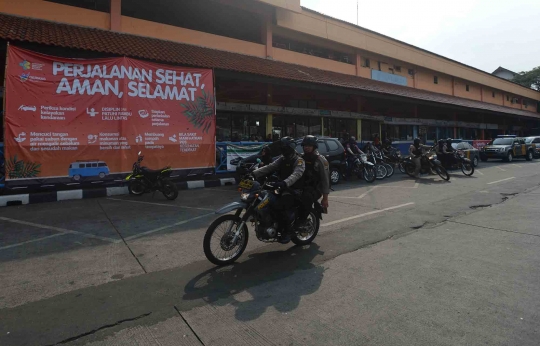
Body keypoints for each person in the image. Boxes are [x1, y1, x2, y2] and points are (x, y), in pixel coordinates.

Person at [251, 136, 305, 244]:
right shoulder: (282, 158)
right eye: (282, 147)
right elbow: (270, 167)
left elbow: (296, 175)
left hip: (294, 190)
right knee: (266, 200)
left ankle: (287, 231)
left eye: (284, 147)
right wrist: (253, 173)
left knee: (281, 206)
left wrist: (284, 183)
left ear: (290, 147)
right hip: (281, 187)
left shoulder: (298, 160)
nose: (282, 149)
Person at [298, 135, 330, 229]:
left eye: (309, 145)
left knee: (306, 198)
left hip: (316, 188)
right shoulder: (301, 158)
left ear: (314, 147)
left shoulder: (320, 160)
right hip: (304, 186)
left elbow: (325, 180)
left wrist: (325, 198)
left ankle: (302, 221)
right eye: (305, 145)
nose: (307, 147)